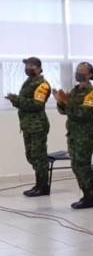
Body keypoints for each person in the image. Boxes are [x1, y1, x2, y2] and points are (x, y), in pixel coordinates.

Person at [54, 62, 93, 209]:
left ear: (90, 75)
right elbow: (64, 111)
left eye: (82, 71)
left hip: (85, 134)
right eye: (78, 70)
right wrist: (61, 102)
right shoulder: (75, 91)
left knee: (83, 165)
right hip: (73, 133)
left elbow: (83, 113)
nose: (78, 73)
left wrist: (67, 102)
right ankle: (85, 194)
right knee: (76, 165)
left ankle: (91, 197)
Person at [6, 57, 52, 197]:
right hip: (28, 125)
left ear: (39, 68)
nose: (27, 68)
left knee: (39, 157)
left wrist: (16, 100)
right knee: (31, 156)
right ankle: (39, 184)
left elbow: (37, 104)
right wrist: (16, 101)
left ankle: (43, 187)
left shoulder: (42, 85)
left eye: (31, 65)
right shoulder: (28, 82)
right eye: (26, 65)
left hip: (37, 125)